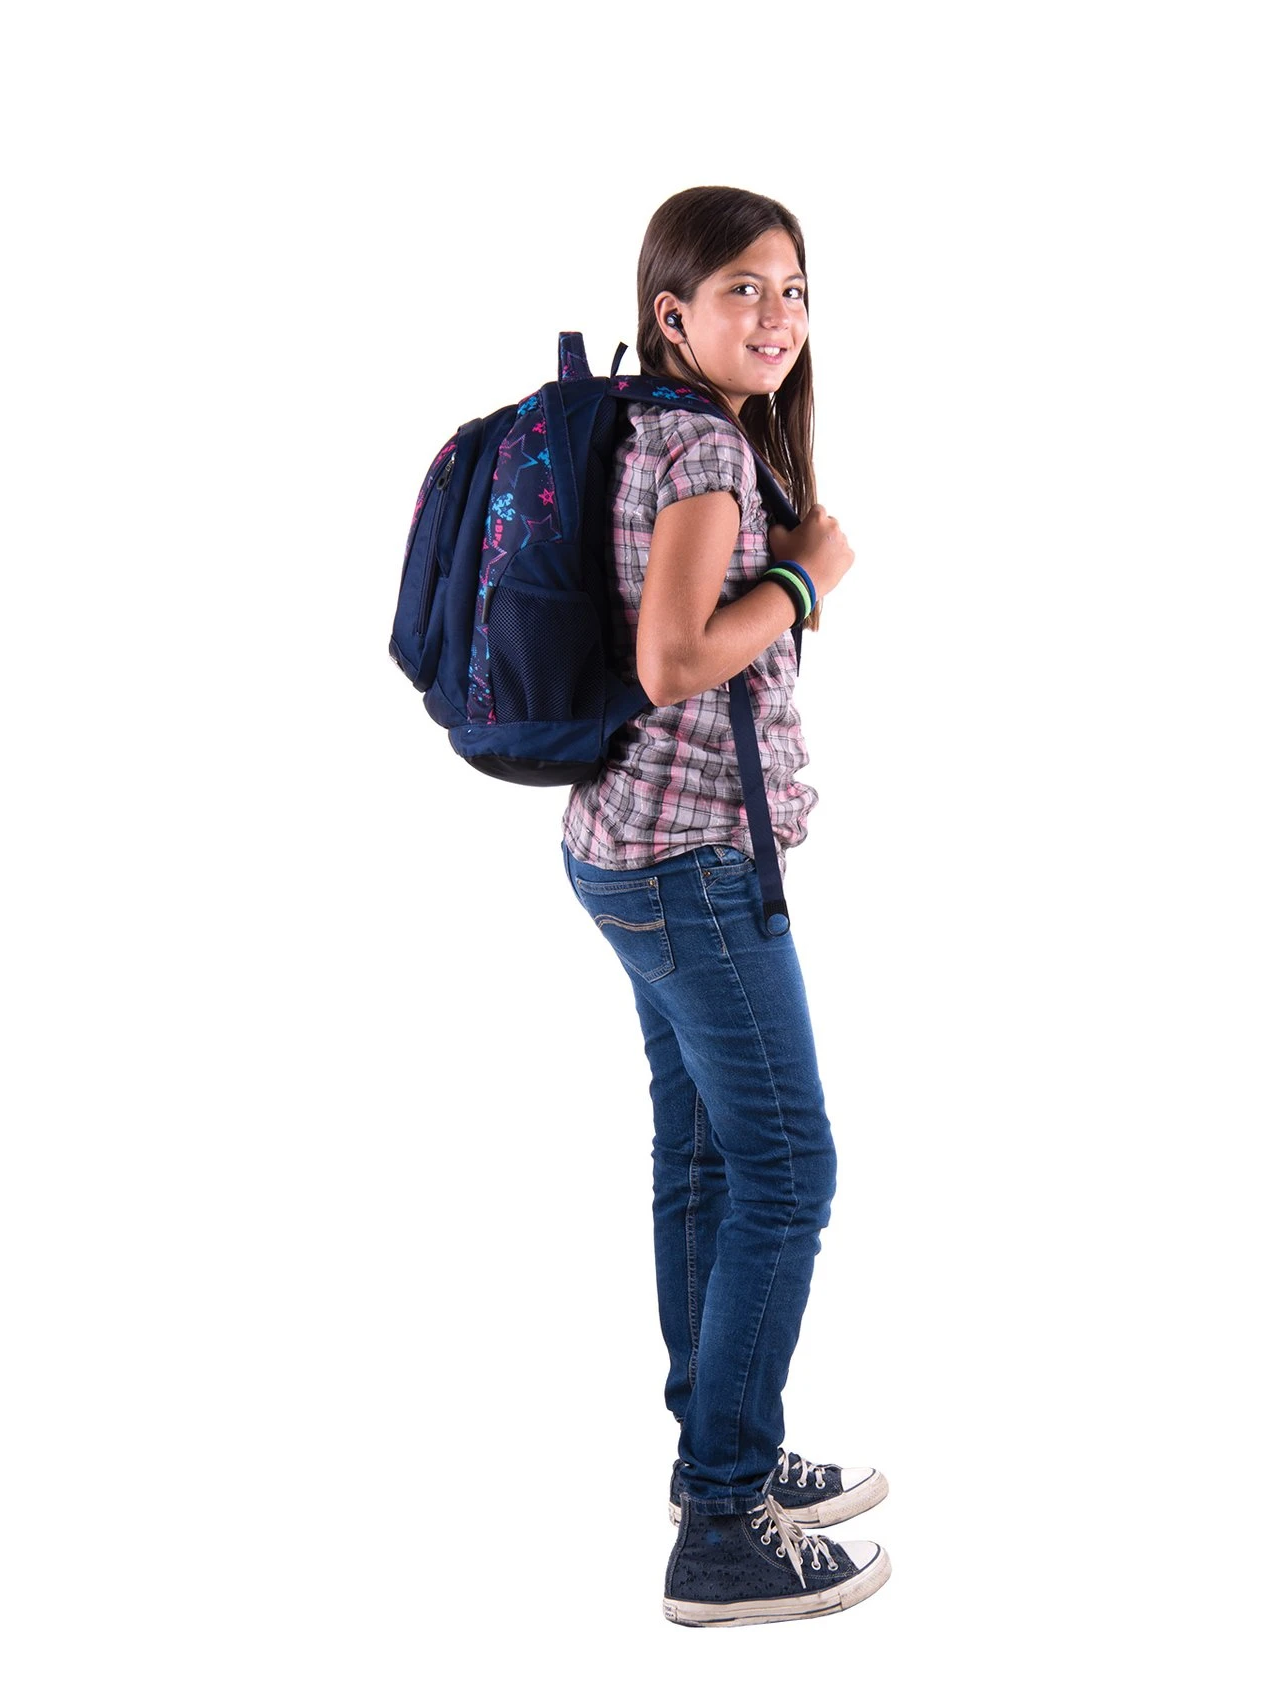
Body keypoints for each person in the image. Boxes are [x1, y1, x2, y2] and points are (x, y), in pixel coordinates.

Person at [561, 186, 891, 1627]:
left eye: (794, 288)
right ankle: (722, 1525)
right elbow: (676, 659)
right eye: (742, 288)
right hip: (690, 863)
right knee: (789, 1169)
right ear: (672, 312)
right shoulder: (700, 446)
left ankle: (721, 1447)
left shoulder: (655, 426)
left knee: (702, 1153)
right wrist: (805, 578)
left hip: (625, 846)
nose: (777, 314)